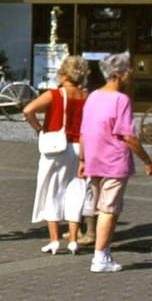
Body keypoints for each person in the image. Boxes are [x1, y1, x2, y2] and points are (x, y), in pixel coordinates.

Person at [79, 52, 152, 273]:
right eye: (128, 71)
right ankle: (101, 256)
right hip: (113, 160)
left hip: (94, 158)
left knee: (101, 208)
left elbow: (84, 131)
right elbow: (128, 136)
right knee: (109, 210)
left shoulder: (93, 96)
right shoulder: (121, 100)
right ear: (117, 75)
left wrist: (83, 159)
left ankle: (103, 253)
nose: (131, 74)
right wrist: (148, 162)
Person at [23, 55, 90, 255]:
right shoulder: (87, 96)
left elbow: (28, 110)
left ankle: (54, 240)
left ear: (63, 75)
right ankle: (74, 238)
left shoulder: (55, 95)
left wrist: (39, 129)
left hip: (56, 147)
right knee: (76, 191)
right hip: (79, 146)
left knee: (52, 191)